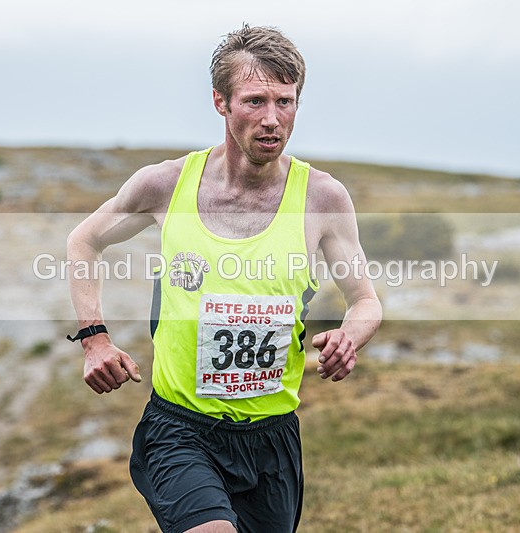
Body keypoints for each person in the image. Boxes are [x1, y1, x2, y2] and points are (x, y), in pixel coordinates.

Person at [67, 24, 381, 533]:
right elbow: (84, 240)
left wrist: (351, 335)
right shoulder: (165, 185)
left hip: (271, 438)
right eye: (255, 101)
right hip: (180, 429)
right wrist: (93, 339)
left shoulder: (322, 198)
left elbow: (365, 300)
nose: (272, 120)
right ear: (220, 102)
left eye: (286, 101)